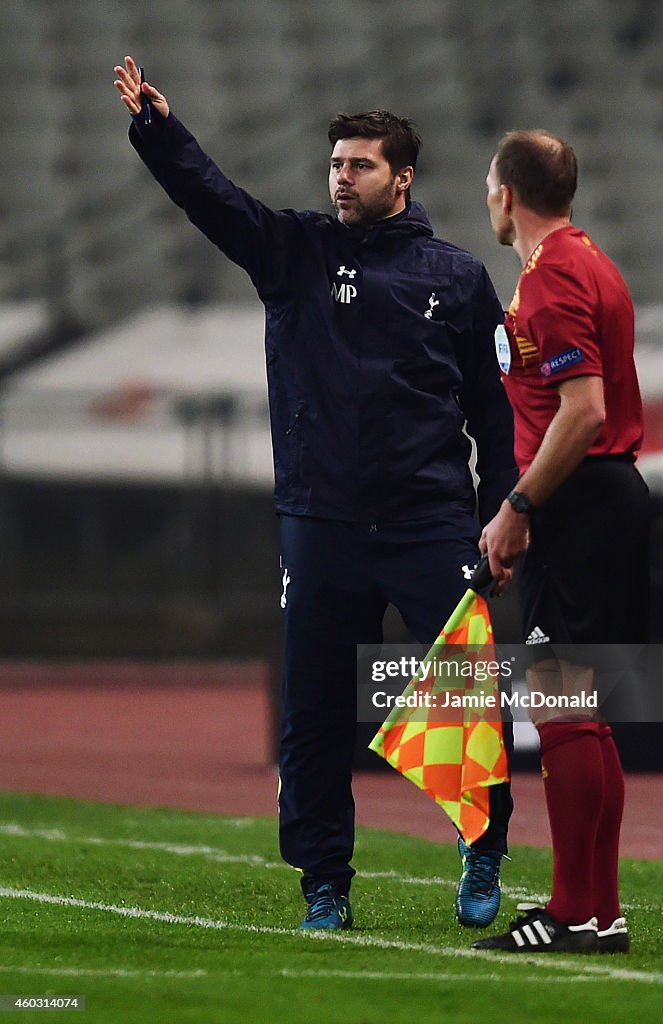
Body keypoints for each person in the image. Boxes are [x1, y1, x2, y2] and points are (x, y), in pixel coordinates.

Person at [113, 57, 516, 931]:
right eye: (334, 163)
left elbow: (495, 413)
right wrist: (159, 129)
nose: (340, 177)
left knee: (461, 695)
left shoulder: (457, 280)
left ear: (400, 178)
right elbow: (211, 198)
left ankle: (481, 842)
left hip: (428, 521)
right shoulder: (292, 250)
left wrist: (503, 513)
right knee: (314, 714)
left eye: (359, 164)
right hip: (319, 522)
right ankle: (324, 883)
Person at [473, 130, 649, 954]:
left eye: (488, 186)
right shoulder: (594, 262)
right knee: (585, 714)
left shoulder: (551, 279)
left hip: (576, 504)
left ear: (507, 194)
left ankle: (577, 912)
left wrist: (516, 505)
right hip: (598, 501)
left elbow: (583, 412)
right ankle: (595, 909)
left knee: (564, 709)